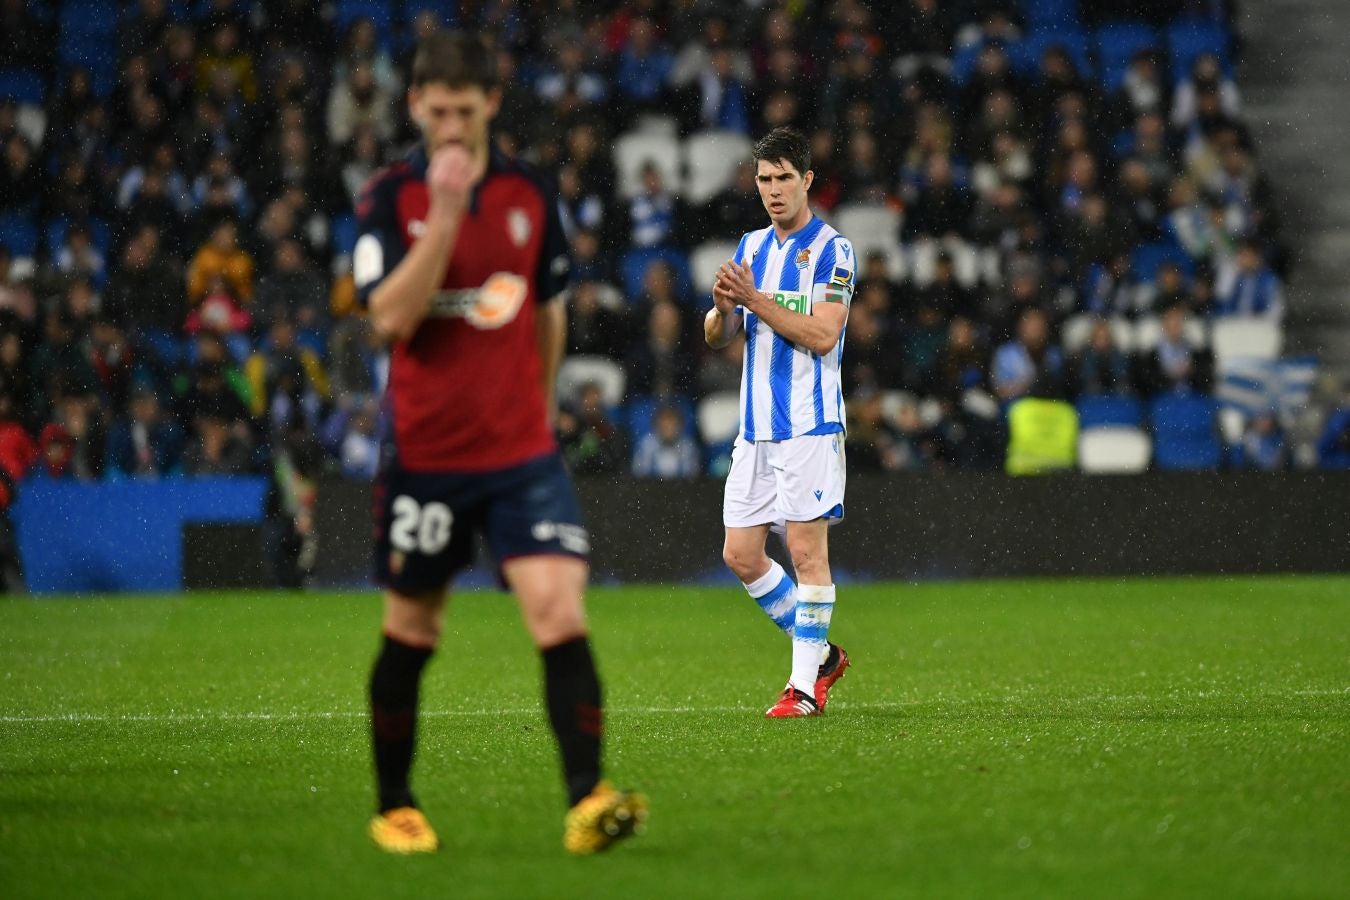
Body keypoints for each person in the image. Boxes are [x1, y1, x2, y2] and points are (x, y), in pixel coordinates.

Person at [352, 32, 645, 856]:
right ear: (414, 106)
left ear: (490, 106)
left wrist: (538, 403)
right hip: (428, 460)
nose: (449, 126)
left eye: (464, 110)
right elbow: (388, 319)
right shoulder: (389, 199)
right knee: (412, 632)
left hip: (519, 455)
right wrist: (444, 216)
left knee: (559, 611)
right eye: (436, 111)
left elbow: (549, 308)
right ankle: (396, 804)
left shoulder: (529, 192)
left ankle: (588, 800)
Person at [703, 127, 855, 719]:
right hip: (756, 429)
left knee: (804, 551)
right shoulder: (750, 246)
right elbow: (718, 336)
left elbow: (822, 334)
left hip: (811, 425)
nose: (772, 189)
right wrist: (720, 309)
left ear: (807, 180)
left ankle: (803, 689)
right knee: (740, 553)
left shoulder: (833, 250)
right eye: (764, 179)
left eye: (784, 177)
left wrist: (755, 300)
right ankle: (819, 654)